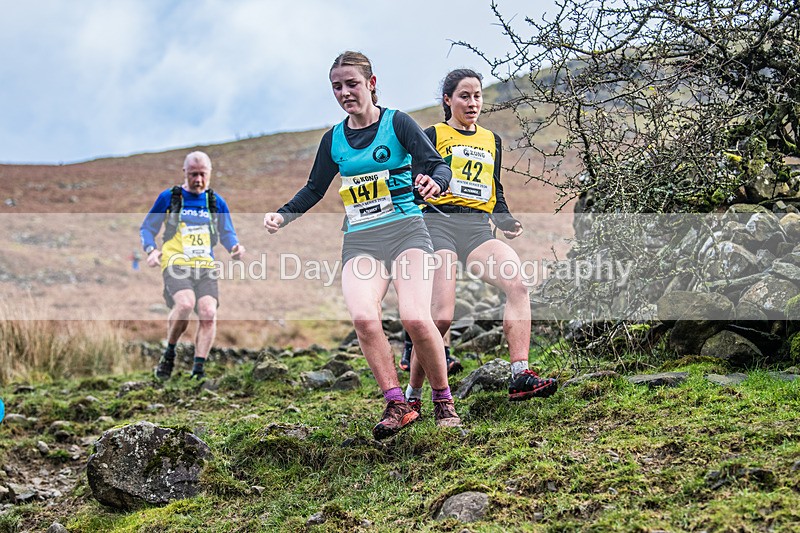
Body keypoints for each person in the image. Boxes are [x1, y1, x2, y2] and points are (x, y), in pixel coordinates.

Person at [264, 51, 460, 439]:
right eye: (336, 87)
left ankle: (443, 402)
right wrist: (283, 215)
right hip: (361, 239)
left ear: (371, 83)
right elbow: (314, 188)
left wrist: (436, 182)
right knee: (364, 318)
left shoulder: (397, 123)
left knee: (416, 318)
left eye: (351, 84)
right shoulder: (333, 139)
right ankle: (397, 404)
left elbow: (438, 164)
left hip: (407, 231)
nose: (344, 93)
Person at [404, 69, 558, 412]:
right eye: (464, 96)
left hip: (476, 228)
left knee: (517, 284)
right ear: (448, 100)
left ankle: (520, 374)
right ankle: (412, 397)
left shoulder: (491, 140)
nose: (472, 103)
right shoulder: (434, 134)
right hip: (438, 224)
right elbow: (414, 179)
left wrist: (505, 219)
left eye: (477, 96)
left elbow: (495, 189)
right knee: (441, 317)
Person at [140, 151, 245, 381]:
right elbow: (147, 228)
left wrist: (235, 247)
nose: (198, 180)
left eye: (202, 175)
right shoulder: (169, 198)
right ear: (184, 173)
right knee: (186, 304)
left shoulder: (215, 202)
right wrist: (151, 249)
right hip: (175, 262)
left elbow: (227, 233)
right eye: (193, 175)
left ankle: (198, 371)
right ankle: (169, 353)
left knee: (208, 313)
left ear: (210, 174)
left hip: (205, 266)